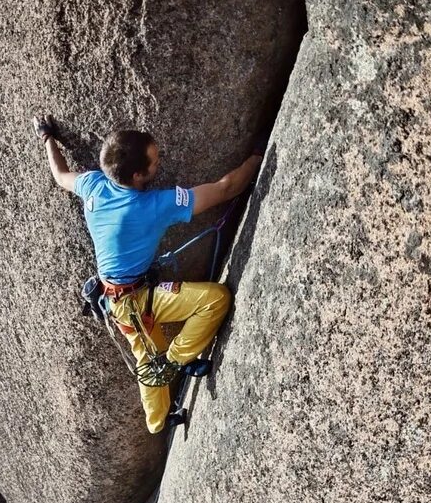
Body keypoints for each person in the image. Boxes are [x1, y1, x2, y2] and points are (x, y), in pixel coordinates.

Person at [34, 117, 264, 433]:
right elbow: (227, 188)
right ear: (138, 175)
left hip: (125, 296)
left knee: (149, 352)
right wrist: (257, 156)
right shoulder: (153, 205)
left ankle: (160, 412)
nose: (160, 163)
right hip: (132, 303)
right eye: (155, 162)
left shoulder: (92, 185)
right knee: (213, 302)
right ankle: (174, 368)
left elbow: (60, 176)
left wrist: (47, 138)